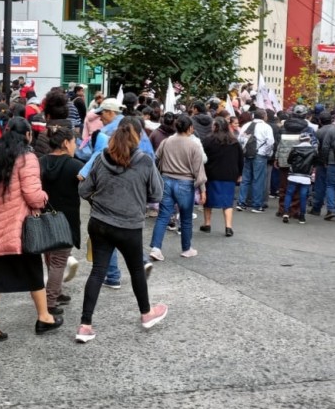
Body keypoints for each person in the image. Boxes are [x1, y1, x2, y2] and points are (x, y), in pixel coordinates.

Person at [76, 116, 166, 343]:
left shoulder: (100, 158)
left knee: (98, 271)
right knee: (136, 269)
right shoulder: (145, 161)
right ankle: (146, 314)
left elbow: (84, 190)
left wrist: (100, 198)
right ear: (138, 137)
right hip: (129, 225)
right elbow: (156, 194)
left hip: (99, 223)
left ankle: (85, 325)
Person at [0, 117, 62, 344]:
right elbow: (33, 196)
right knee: (33, 272)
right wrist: (45, 197)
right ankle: (44, 317)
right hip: (20, 228)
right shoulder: (27, 158)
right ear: (27, 135)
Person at [149, 114, 207, 260]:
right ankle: (186, 248)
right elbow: (198, 170)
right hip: (185, 183)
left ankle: (156, 248)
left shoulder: (166, 141)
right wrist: (202, 191)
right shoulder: (194, 145)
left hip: (166, 180)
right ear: (190, 128)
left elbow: (156, 158)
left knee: (163, 215)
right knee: (186, 217)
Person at [39, 125, 84, 314]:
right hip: (66, 219)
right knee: (59, 260)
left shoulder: (40, 162)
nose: (76, 146)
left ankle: (56, 291)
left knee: (50, 256)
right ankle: (50, 301)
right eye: (74, 142)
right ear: (66, 143)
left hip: (43, 216)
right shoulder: (75, 166)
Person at [200, 117, 243, 237]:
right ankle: (228, 227)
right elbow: (240, 159)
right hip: (229, 175)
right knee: (228, 202)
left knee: (208, 201)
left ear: (215, 127)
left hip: (212, 174)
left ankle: (207, 224)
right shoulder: (234, 141)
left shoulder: (208, 140)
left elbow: (202, 157)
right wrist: (240, 173)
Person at [237, 109, 275, 213]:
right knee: (258, 180)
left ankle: (241, 202)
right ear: (264, 116)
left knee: (245, 179)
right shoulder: (266, 127)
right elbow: (270, 142)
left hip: (247, 154)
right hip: (260, 155)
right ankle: (257, 205)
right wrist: (266, 153)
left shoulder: (246, 125)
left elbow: (240, 139)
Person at [283, 133, 318, 224]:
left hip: (293, 174)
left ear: (300, 140)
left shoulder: (295, 149)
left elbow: (289, 161)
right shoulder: (313, 150)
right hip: (306, 176)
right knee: (303, 196)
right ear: (309, 140)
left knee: (289, 193)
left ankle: (286, 213)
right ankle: (302, 216)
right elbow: (315, 162)